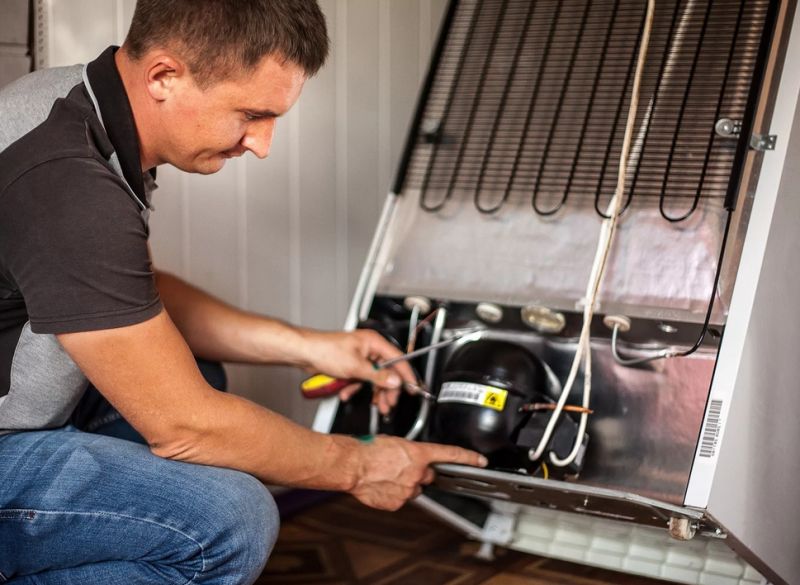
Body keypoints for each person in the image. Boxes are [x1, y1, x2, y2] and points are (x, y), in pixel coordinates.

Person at [0, 1, 486, 583]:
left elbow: (124, 298)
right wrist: (360, 466)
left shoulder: (71, 101)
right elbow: (184, 426)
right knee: (230, 520)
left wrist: (311, 347)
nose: (261, 144)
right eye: (251, 114)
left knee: (200, 374)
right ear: (164, 76)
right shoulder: (70, 184)